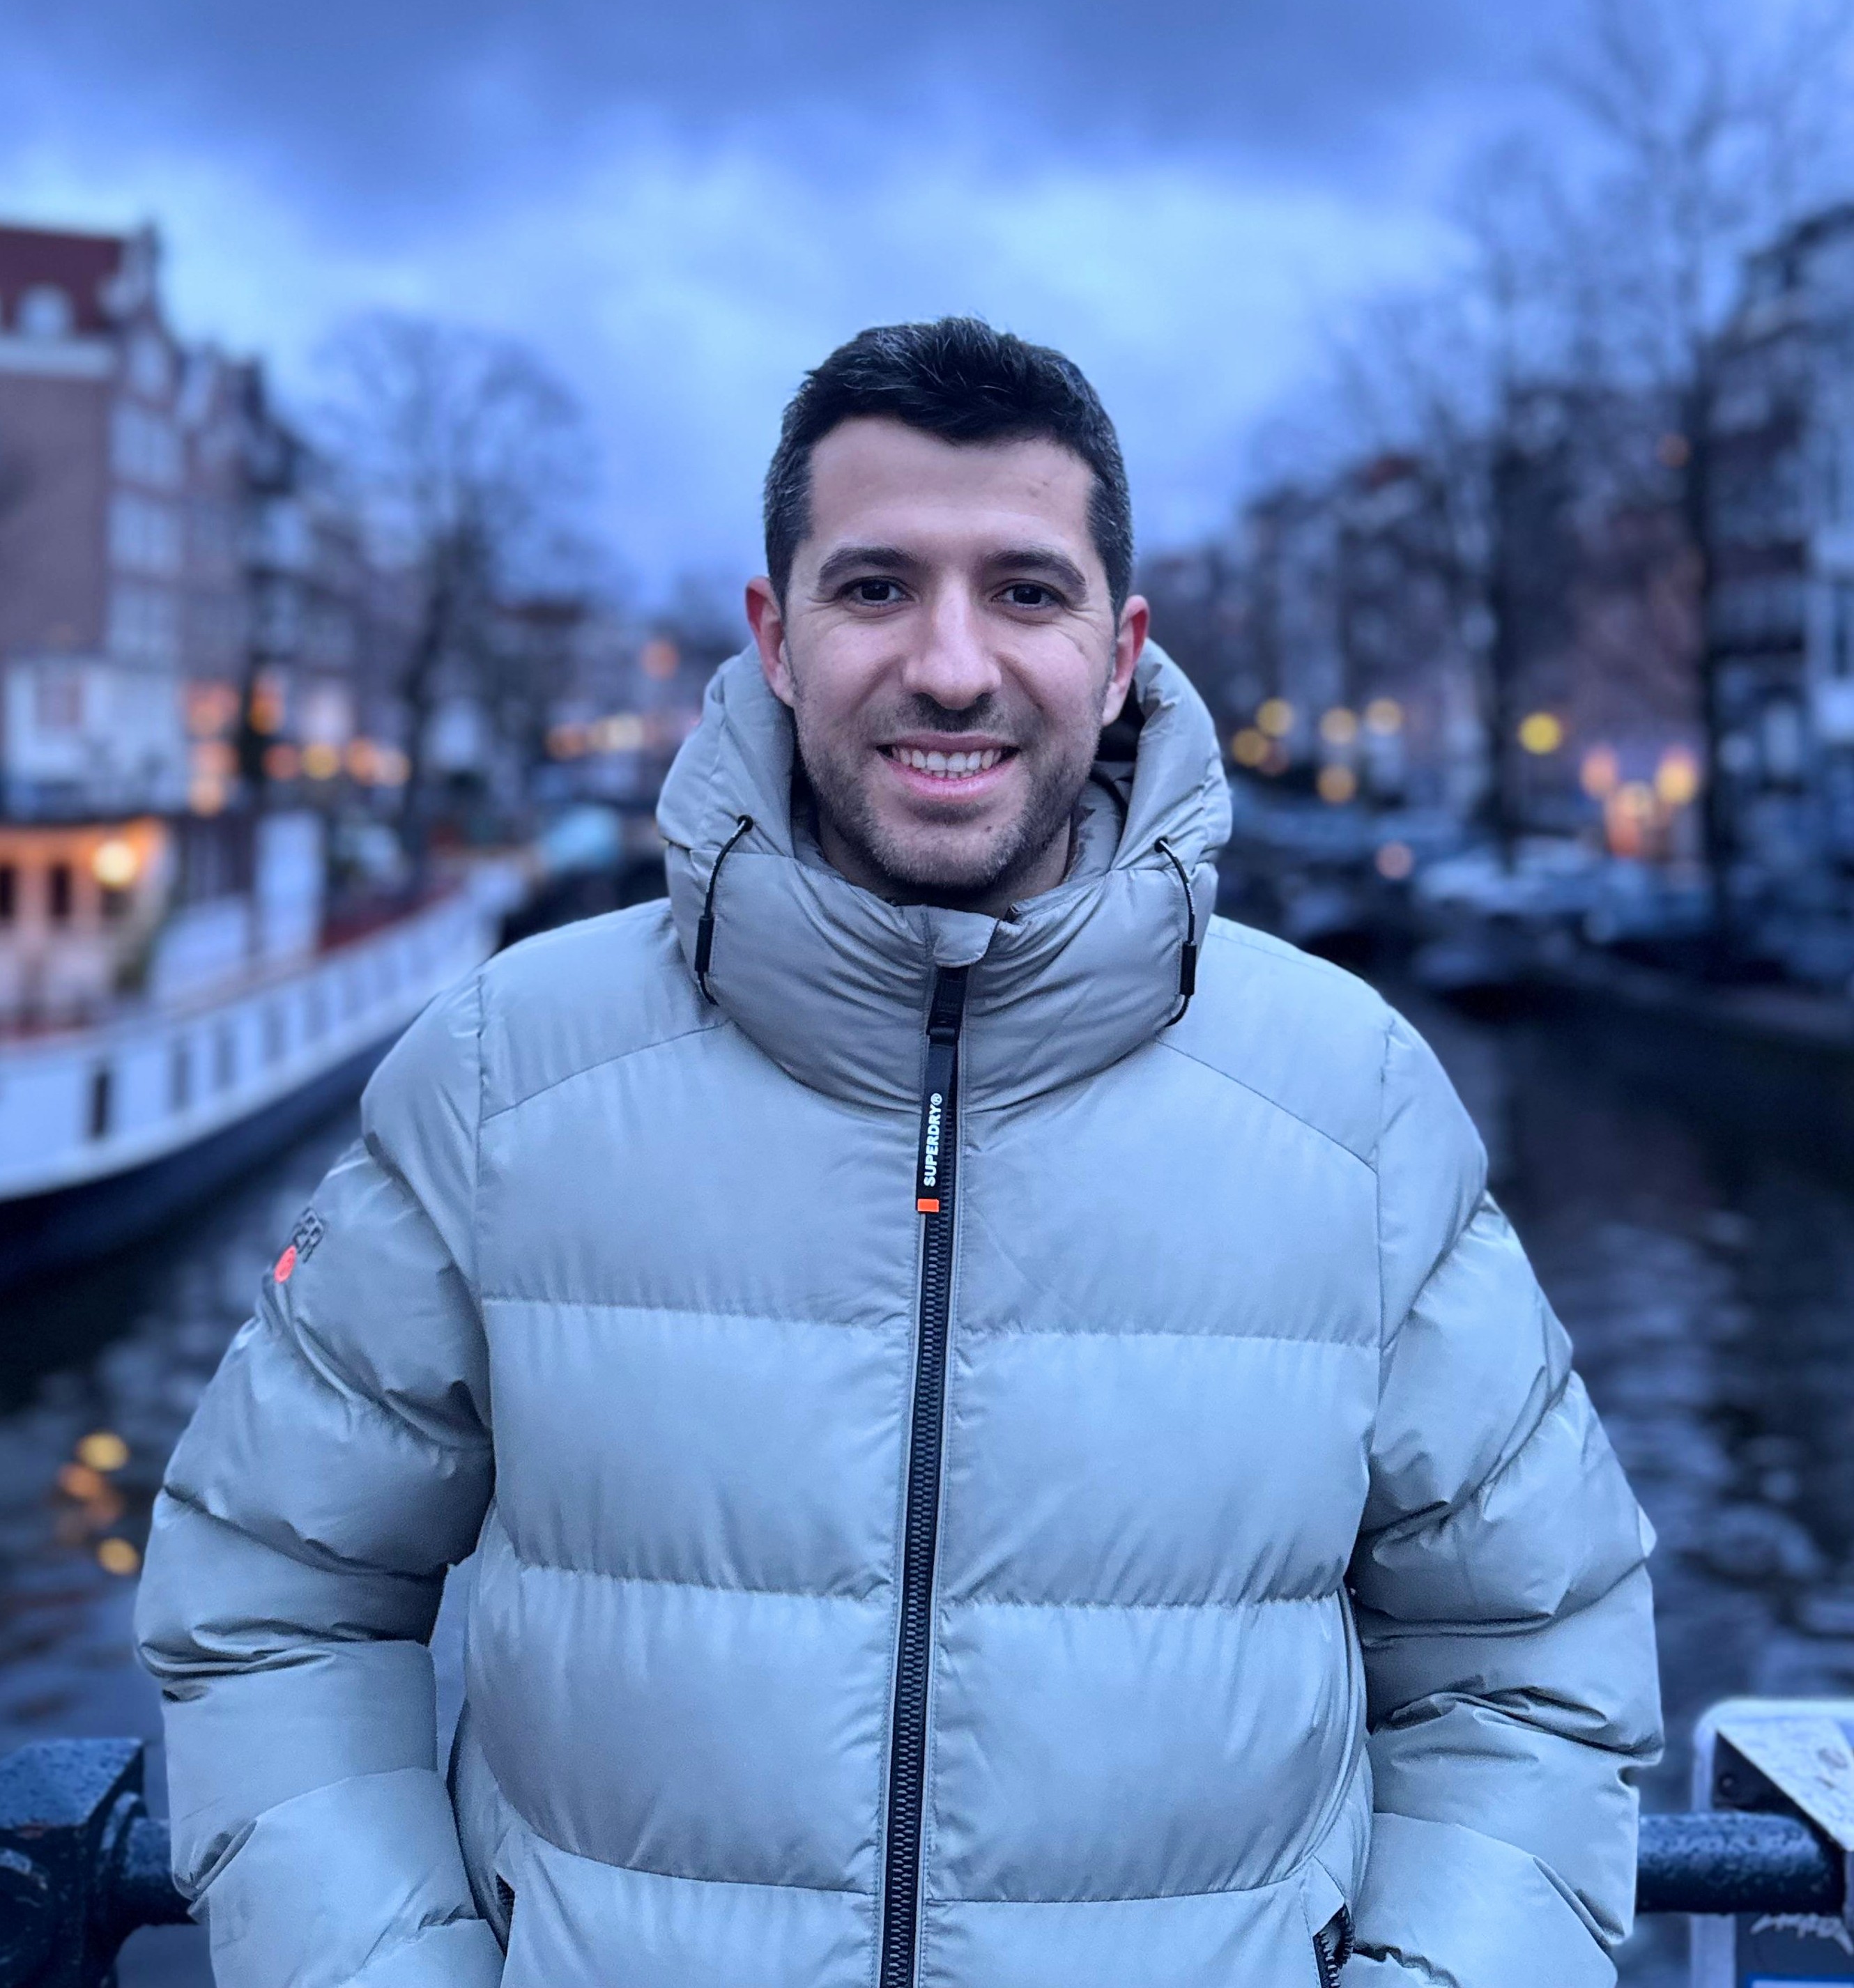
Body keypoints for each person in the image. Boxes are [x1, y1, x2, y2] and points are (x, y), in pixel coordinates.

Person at [137, 317, 1662, 1988]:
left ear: (1119, 650)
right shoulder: (504, 1073)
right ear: (775, 638)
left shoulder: (1352, 1103)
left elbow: (1529, 1660)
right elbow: (278, 1591)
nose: (949, 665)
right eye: (874, 588)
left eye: (1024, 590)